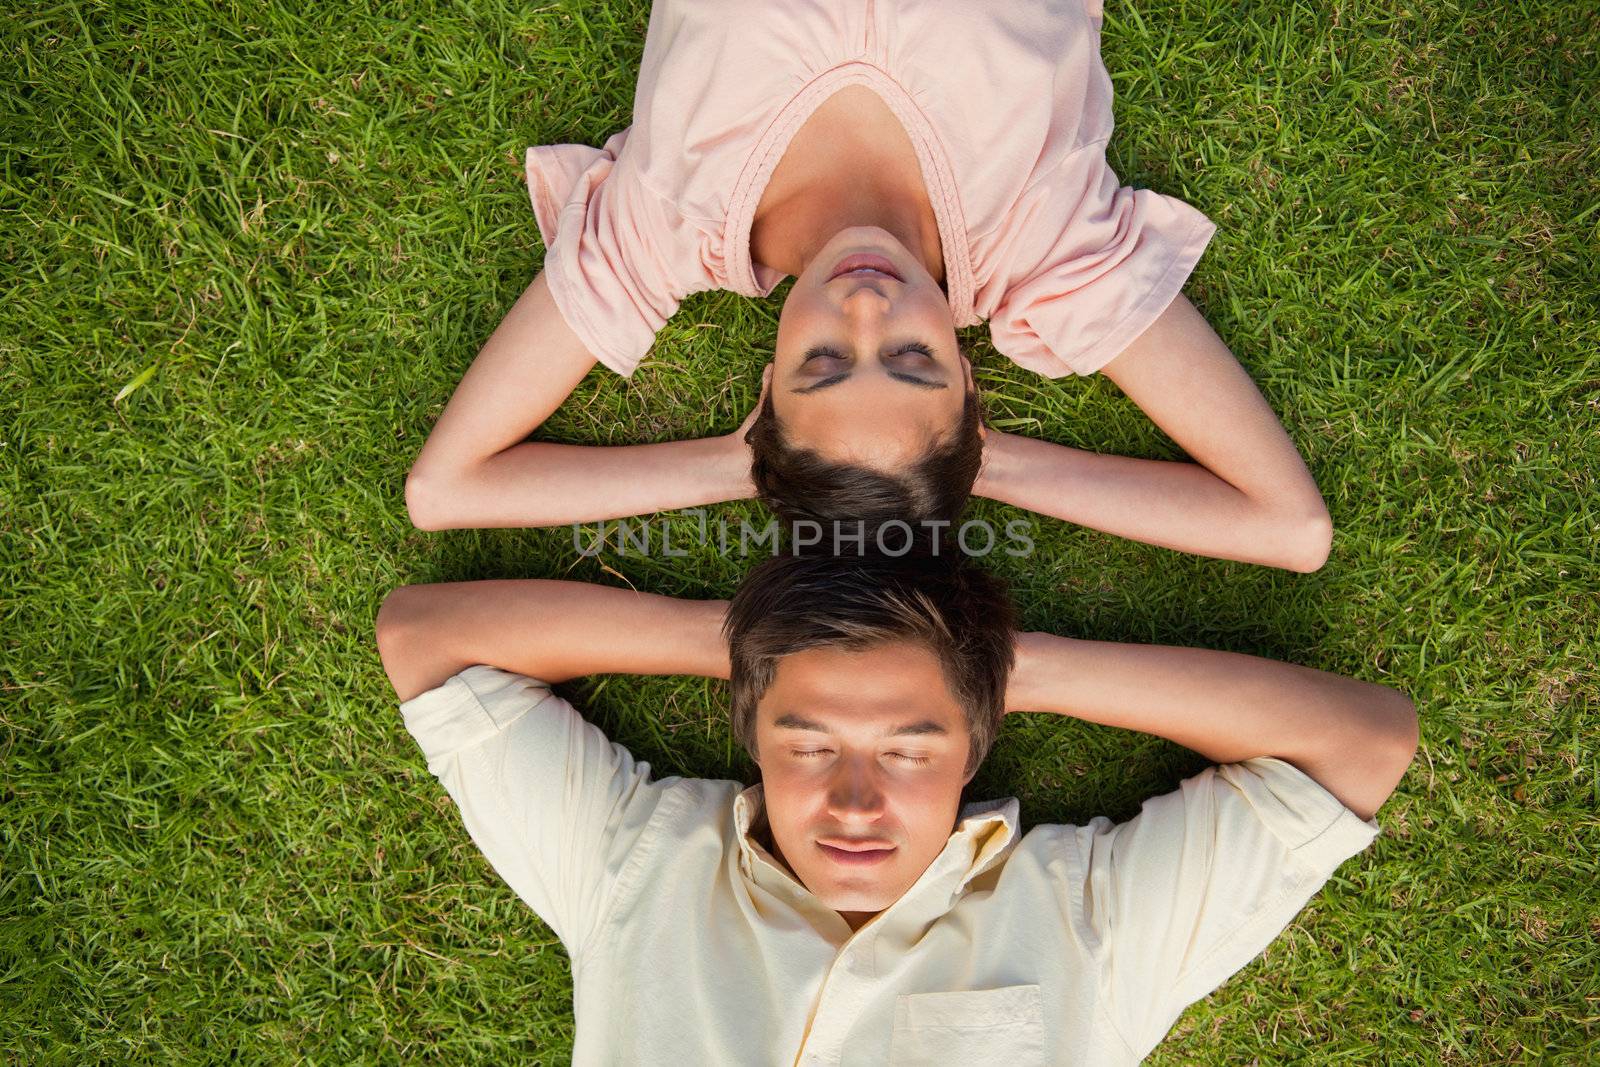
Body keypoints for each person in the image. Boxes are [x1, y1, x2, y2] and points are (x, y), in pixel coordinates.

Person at [374, 553, 1417, 1064]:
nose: (854, 799)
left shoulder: (1084, 918)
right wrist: (762, 649)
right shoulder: (639, 862)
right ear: (751, 733)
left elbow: (1360, 739)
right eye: (808, 741)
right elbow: (424, 635)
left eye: (912, 747)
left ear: (975, 743)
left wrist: (1001, 666)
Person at [403, 0, 1334, 571]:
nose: (862, 307)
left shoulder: (666, 224)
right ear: (970, 390)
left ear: (765, 386)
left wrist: (756, 465)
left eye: (822, 364)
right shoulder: (1045, 243)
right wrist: (972, 462)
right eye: (911, 360)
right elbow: (1288, 527)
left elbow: (446, 489)